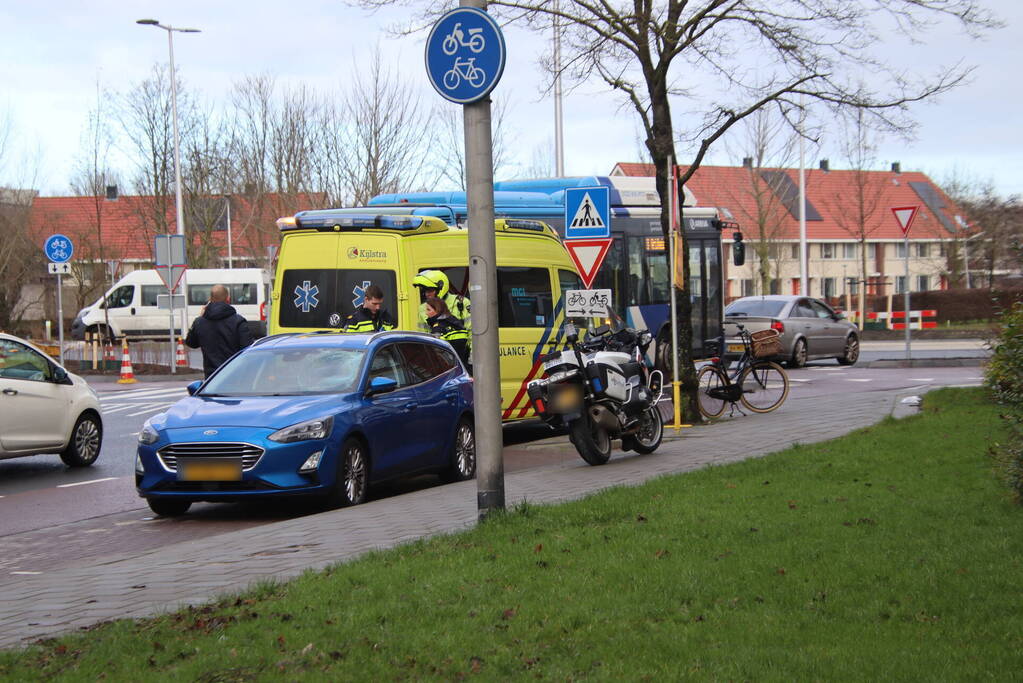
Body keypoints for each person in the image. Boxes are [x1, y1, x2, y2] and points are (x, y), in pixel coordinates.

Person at [185, 284, 254, 378]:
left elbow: (191, 343)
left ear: (210, 299)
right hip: (235, 374)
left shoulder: (200, 322)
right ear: (228, 299)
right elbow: (248, 349)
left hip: (212, 378)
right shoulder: (238, 321)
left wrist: (200, 317)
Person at [424, 296, 471, 370]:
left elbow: (437, 353)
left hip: (450, 369)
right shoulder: (456, 323)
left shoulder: (438, 328)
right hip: (464, 367)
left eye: (428, 310)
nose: (426, 313)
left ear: (437, 310)